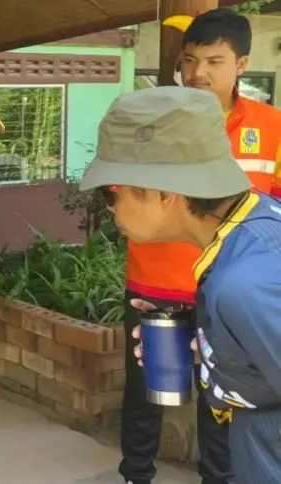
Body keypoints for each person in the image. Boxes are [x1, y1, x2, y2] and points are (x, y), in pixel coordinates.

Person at [81, 84, 281, 484]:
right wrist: (215, 349)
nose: (108, 207)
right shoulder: (254, 225)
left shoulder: (245, 283)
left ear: (162, 192)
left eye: (111, 192)